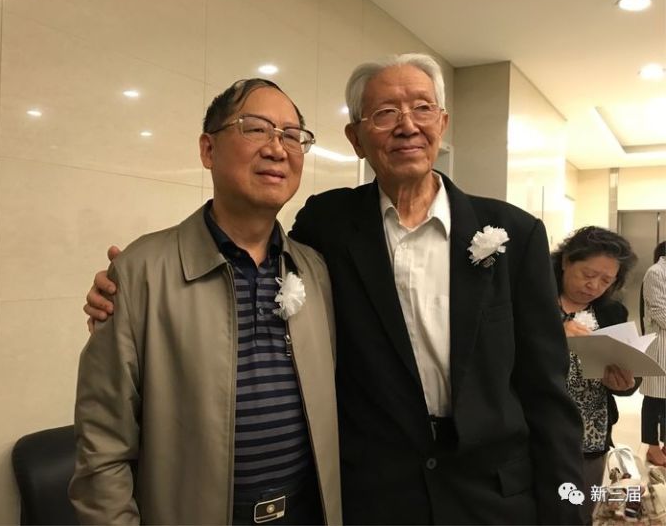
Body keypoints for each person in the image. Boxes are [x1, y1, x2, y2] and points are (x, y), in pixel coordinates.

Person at [85, 53, 584, 524]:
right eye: (385, 113)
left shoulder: (515, 233)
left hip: (494, 499)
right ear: (356, 138)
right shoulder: (328, 228)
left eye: (422, 108)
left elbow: (547, 394)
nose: (407, 125)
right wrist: (131, 288)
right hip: (374, 500)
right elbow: (234, 253)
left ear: (443, 122)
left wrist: (570, 507)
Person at [69, 78, 341, 525]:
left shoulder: (315, 270)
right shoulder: (141, 272)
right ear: (208, 149)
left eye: (292, 136)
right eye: (257, 128)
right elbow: (102, 450)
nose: (278, 148)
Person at [552, 226, 640, 523]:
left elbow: (628, 368)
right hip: (537, 428)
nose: (594, 286)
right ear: (566, 261)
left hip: (591, 434)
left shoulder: (612, 312)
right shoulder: (534, 301)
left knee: (579, 510)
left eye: (606, 280)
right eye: (588, 274)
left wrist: (625, 383)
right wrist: (554, 334)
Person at [641, 241, 666, 466]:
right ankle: (652, 447)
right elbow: (660, 312)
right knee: (654, 398)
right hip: (660, 345)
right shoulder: (656, 272)